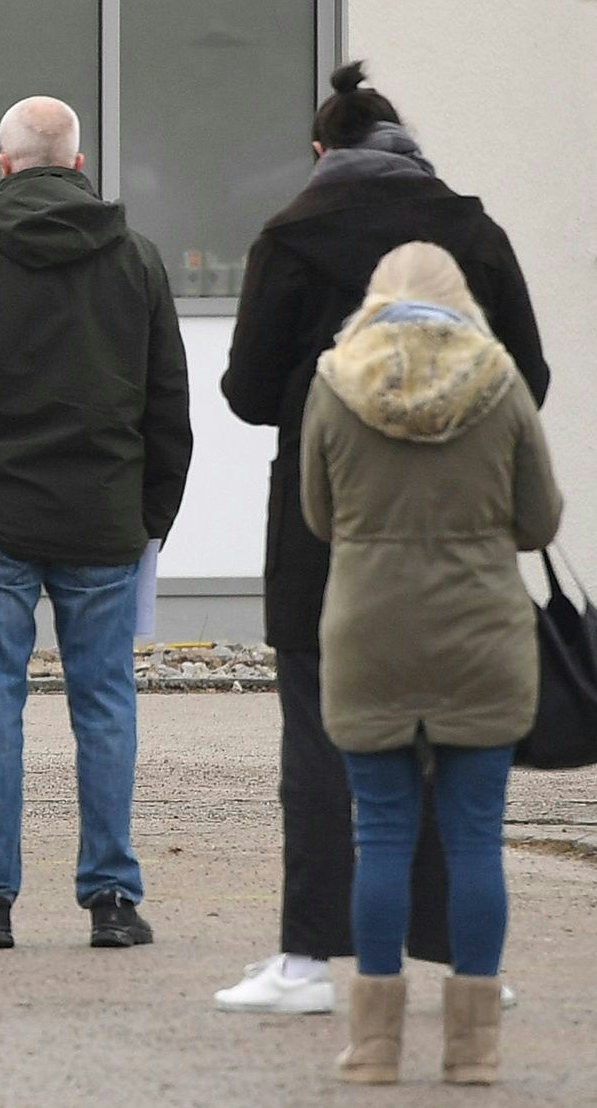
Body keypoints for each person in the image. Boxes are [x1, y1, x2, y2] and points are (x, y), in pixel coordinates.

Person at [215, 62, 548, 1017]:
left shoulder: (291, 235)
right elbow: (531, 374)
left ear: (321, 153)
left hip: (330, 530)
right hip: (463, 535)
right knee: (453, 747)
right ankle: (459, 961)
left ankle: (307, 963)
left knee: (320, 747)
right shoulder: (473, 232)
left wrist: (328, 407)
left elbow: (245, 391)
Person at [0, 97, 194, 951]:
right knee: (105, 708)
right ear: (79, 160)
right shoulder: (133, 258)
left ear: (5, 164)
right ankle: (112, 900)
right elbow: (167, 395)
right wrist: (151, 513)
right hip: (105, 517)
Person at [303, 243, 561, 1086]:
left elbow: (318, 515)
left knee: (378, 834)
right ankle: (474, 1049)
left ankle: (375, 1046)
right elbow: (540, 520)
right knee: (475, 837)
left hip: (370, 630)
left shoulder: (335, 381)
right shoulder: (501, 381)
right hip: (481, 631)